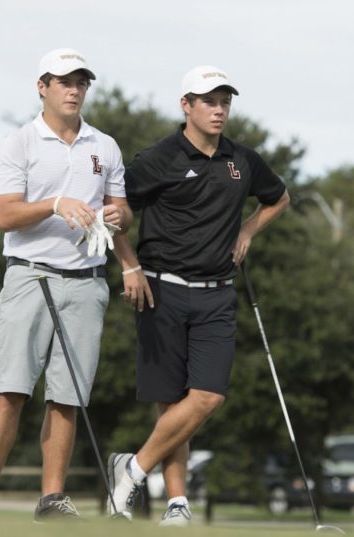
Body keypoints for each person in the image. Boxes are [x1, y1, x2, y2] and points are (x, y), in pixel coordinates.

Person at [108, 65, 291, 526]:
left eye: (225, 100)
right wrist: (129, 265)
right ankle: (176, 503)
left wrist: (249, 228)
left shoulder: (242, 160)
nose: (219, 109)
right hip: (162, 290)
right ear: (186, 105)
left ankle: (130, 469)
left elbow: (279, 197)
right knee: (171, 403)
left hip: (216, 295)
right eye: (209, 100)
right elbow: (114, 211)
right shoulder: (159, 158)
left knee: (206, 396)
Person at [0, 48, 133, 522]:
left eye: (81, 81)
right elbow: (6, 215)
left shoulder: (105, 146)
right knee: (11, 389)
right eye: (63, 81)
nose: (74, 89)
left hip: (86, 283)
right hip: (29, 276)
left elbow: (121, 211)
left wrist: (120, 214)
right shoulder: (20, 143)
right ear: (43, 86)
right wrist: (55, 203)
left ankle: (52, 498)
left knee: (67, 396)